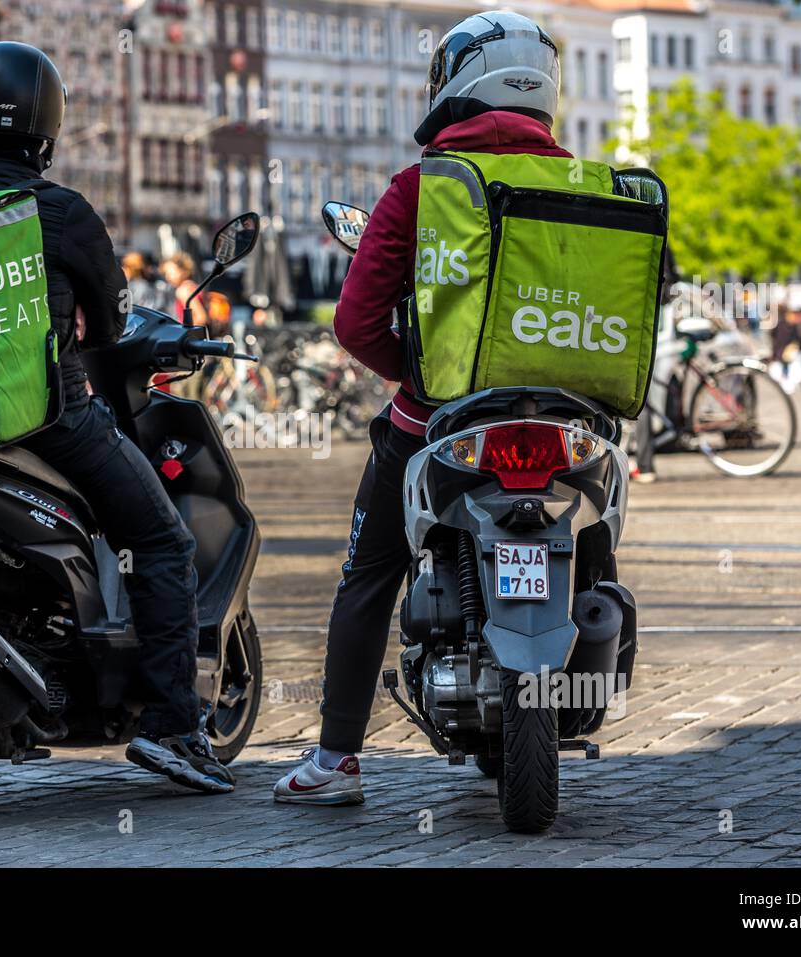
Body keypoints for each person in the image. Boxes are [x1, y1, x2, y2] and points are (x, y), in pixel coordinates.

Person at [273, 10, 574, 805]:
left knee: (370, 571)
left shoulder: (420, 187)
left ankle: (337, 757)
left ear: (457, 83)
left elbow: (353, 323)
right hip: (564, 422)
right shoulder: (581, 184)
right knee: (597, 532)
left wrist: (418, 375)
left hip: (438, 422)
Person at [0, 41, 233, 793]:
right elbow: (106, 333)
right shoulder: (62, 213)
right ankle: (173, 727)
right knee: (162, 537)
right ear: (48, 129)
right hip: (48, 421)